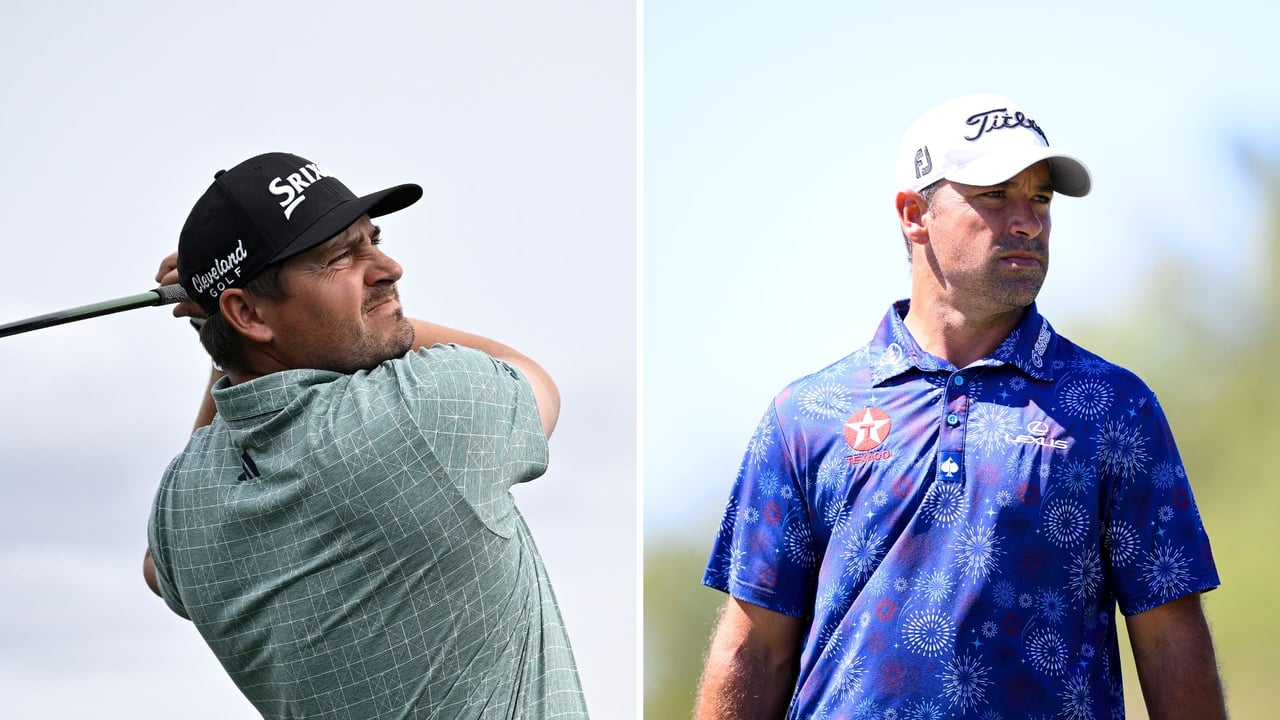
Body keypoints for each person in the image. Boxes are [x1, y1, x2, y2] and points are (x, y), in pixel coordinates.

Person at [695, 95, 1227, 719]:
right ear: (915, 213)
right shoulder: (806, 415)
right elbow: (755, 650)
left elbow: (1169, 638)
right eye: (996, 195)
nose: (1028, 221)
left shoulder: (1114, 407)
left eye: (1041, 199)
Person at [142, 152, 589, 719]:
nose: (388, 267)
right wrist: (230, 322)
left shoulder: (184, 510)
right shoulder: (423, 411)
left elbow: (160, 571)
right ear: (250, 315)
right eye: (341, 256)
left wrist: (225, 332)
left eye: (372, 239)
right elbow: (532, 375)